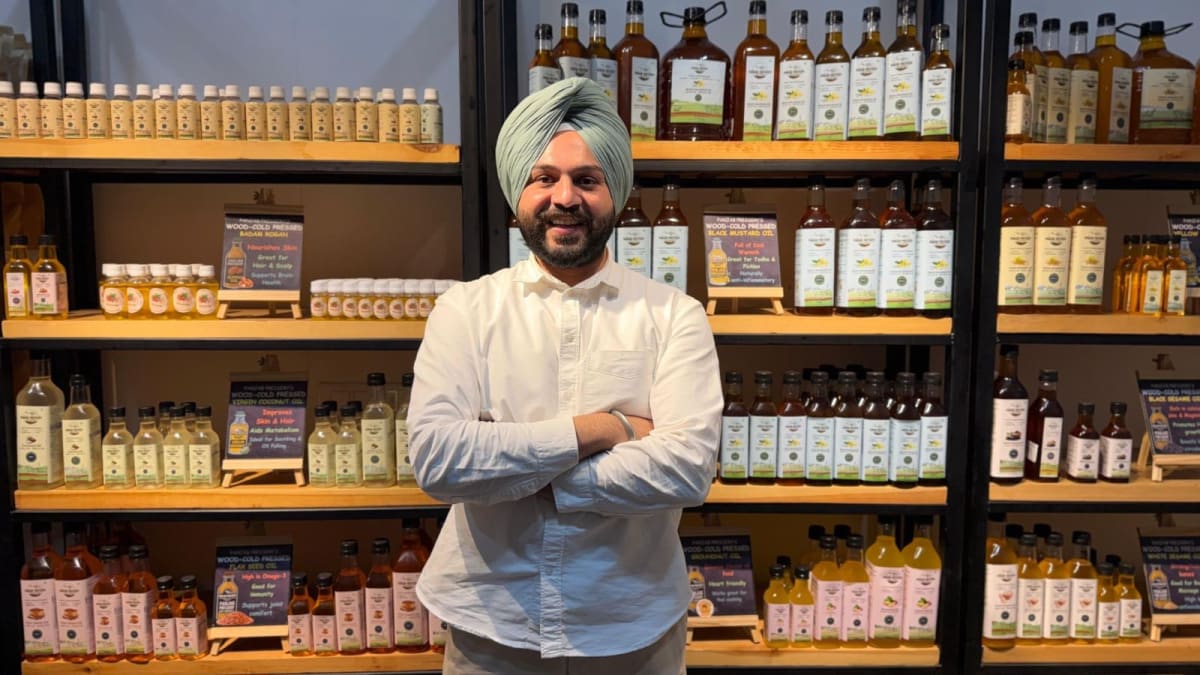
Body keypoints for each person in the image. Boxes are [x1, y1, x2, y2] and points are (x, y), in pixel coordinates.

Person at [408, 77, 722, 675]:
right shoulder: (466, 310)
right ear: (516, 192)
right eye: (543, 177)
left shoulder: (673, 316)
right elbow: (440, 461)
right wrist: (608, 427)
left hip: (634, 629)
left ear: (616, 193)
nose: (565, 197)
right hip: (491, 626)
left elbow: (686, 469)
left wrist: (511, 467)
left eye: (587, 179)